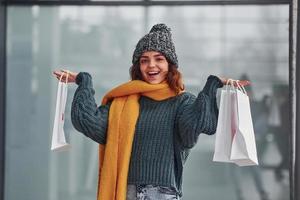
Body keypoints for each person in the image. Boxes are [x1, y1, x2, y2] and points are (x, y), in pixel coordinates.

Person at [53, 23, 250, 200]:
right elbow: (87, 121)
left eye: (159, 59)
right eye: (144, 60)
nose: (151, 65)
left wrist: (211, 85)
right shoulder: (122, 103)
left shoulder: (181, 102)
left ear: (170, 65)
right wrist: (84, 81)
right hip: (126, 192)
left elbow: (195, 127)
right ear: (138, 67)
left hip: (162, 194)